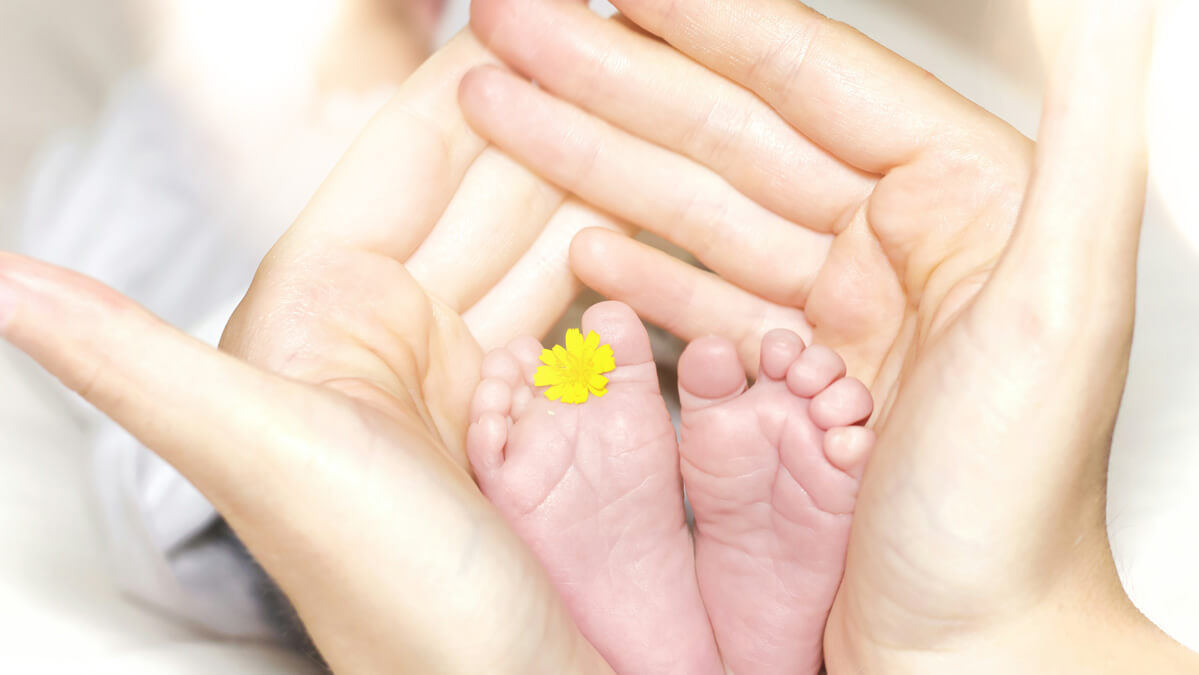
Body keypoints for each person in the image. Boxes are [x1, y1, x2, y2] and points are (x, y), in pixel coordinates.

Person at [0, 2, 1193, 675]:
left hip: (581, 335)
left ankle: (661, 581)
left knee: (688, 370)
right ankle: (645, 555)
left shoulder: (557, 74)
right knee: (272, 421)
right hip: (410, 338)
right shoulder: (155, 128)